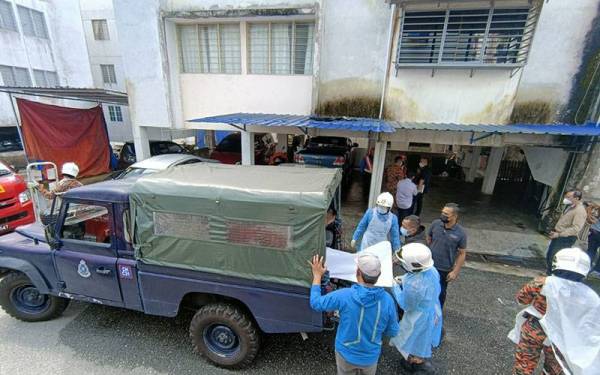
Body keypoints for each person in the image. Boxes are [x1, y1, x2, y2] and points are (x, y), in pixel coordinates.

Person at [509, 247, 600, 375]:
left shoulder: (543, 283)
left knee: (524, 364)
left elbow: (521, 299)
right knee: (553, 367)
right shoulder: (590, 296)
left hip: (535, 329)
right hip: (561, 334)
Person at [309, 253, 400, 375]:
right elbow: (392, 331)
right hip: (370, 358)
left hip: (345, 354)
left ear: (358, 272)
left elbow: (316, 303)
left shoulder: (344, 296)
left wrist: (317, 276)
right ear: (379, 275)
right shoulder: (388, 300)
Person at [390, 243, 442, 374]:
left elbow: (405, 304)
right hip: (432, 309)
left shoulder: (415, 286)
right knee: (422, 338)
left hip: (418, 316)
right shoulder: (431, 270)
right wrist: (402, 280)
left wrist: (394, 285)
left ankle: (418, 365)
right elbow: (418, 278)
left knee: (412, 338)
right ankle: (415, 360)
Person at [427, 203, 467, 308]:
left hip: (444, 269)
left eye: (446, 214)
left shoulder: (461, 233)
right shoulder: (436, 224)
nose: (442, 215)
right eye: (442, 212)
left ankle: (437, 314)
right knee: (425, 288)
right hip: (428, 265)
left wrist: (455, 271)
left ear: (454, 216)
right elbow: (429, 238)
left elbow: (462, 253)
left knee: (440, 292)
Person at [545, 190, 587, 275]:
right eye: (566, 196)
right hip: (559, 235)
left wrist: (559, 234)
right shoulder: (570, 206)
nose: (565, 199)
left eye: (568, 197)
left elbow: (576, 228)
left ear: (576, 198)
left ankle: (553, 276)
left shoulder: (580, 211)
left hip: (566, 238)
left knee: (555, 258)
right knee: (550, 255)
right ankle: (549, 275)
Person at [585, 201, 600, 276]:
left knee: (591, 251)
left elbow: (592, 219)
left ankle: (586, 267)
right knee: (591, 251)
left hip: (595, 232)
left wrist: (588, 212)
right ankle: (597, 272)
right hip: (595, 231)